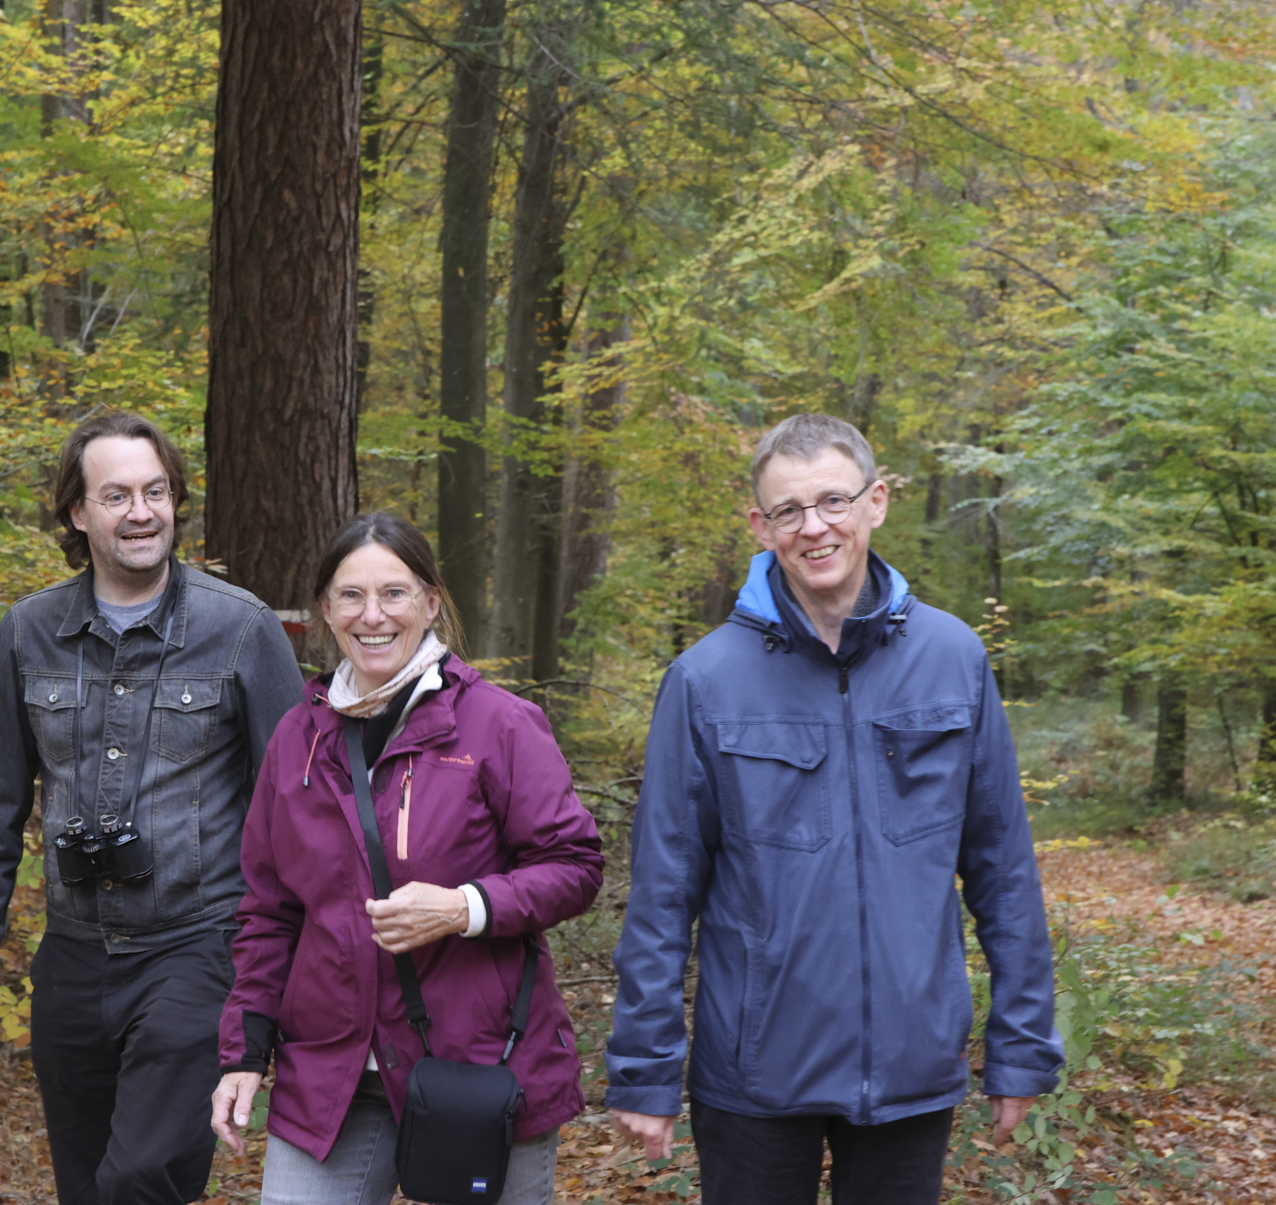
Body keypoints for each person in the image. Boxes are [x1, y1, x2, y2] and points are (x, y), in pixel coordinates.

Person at [605, 414, 1063, 1204]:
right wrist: (645, 1069)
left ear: (875, 501)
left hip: (912, 1063)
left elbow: (1003, 869)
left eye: (832, 501)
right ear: (760, 525)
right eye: (788, 509)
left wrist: (1021, 1047)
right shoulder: (704, 680)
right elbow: (662, 892)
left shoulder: (953, 658)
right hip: (754, 1072)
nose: (813, 526)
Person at [0, 411, 305, 1205]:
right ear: (78, 511)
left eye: (156, 492)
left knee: (138, 1179)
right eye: (117, 496)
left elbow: (302, 809)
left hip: (198, 950)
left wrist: (280, 977)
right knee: (88, 1186)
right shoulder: (29, 632)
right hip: (71, 958)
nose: (142, 512)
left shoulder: (241, 629)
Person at [210, 512, 603, 1205]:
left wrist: (464, 907)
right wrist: (243, 1052)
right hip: (329, 1075)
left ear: (430, 602)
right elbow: (270, 913)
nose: (373, 615)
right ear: (326, 609)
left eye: (394, 593)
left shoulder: (499, 723)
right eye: (351, 595)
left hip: (477, 1067)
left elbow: (574, 865)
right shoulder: (297, 739)